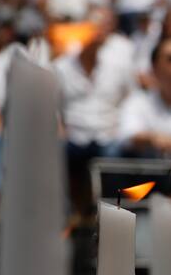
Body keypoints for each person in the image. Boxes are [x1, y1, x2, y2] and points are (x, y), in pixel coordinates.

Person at [56, 9, 140, 177]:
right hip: (74, 136)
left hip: (109, 134)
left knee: (115, 155)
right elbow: (52, 106)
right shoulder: (61, 67)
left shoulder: (119, 65)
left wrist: (121, 129)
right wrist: (60, 130)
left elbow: (132, 99)